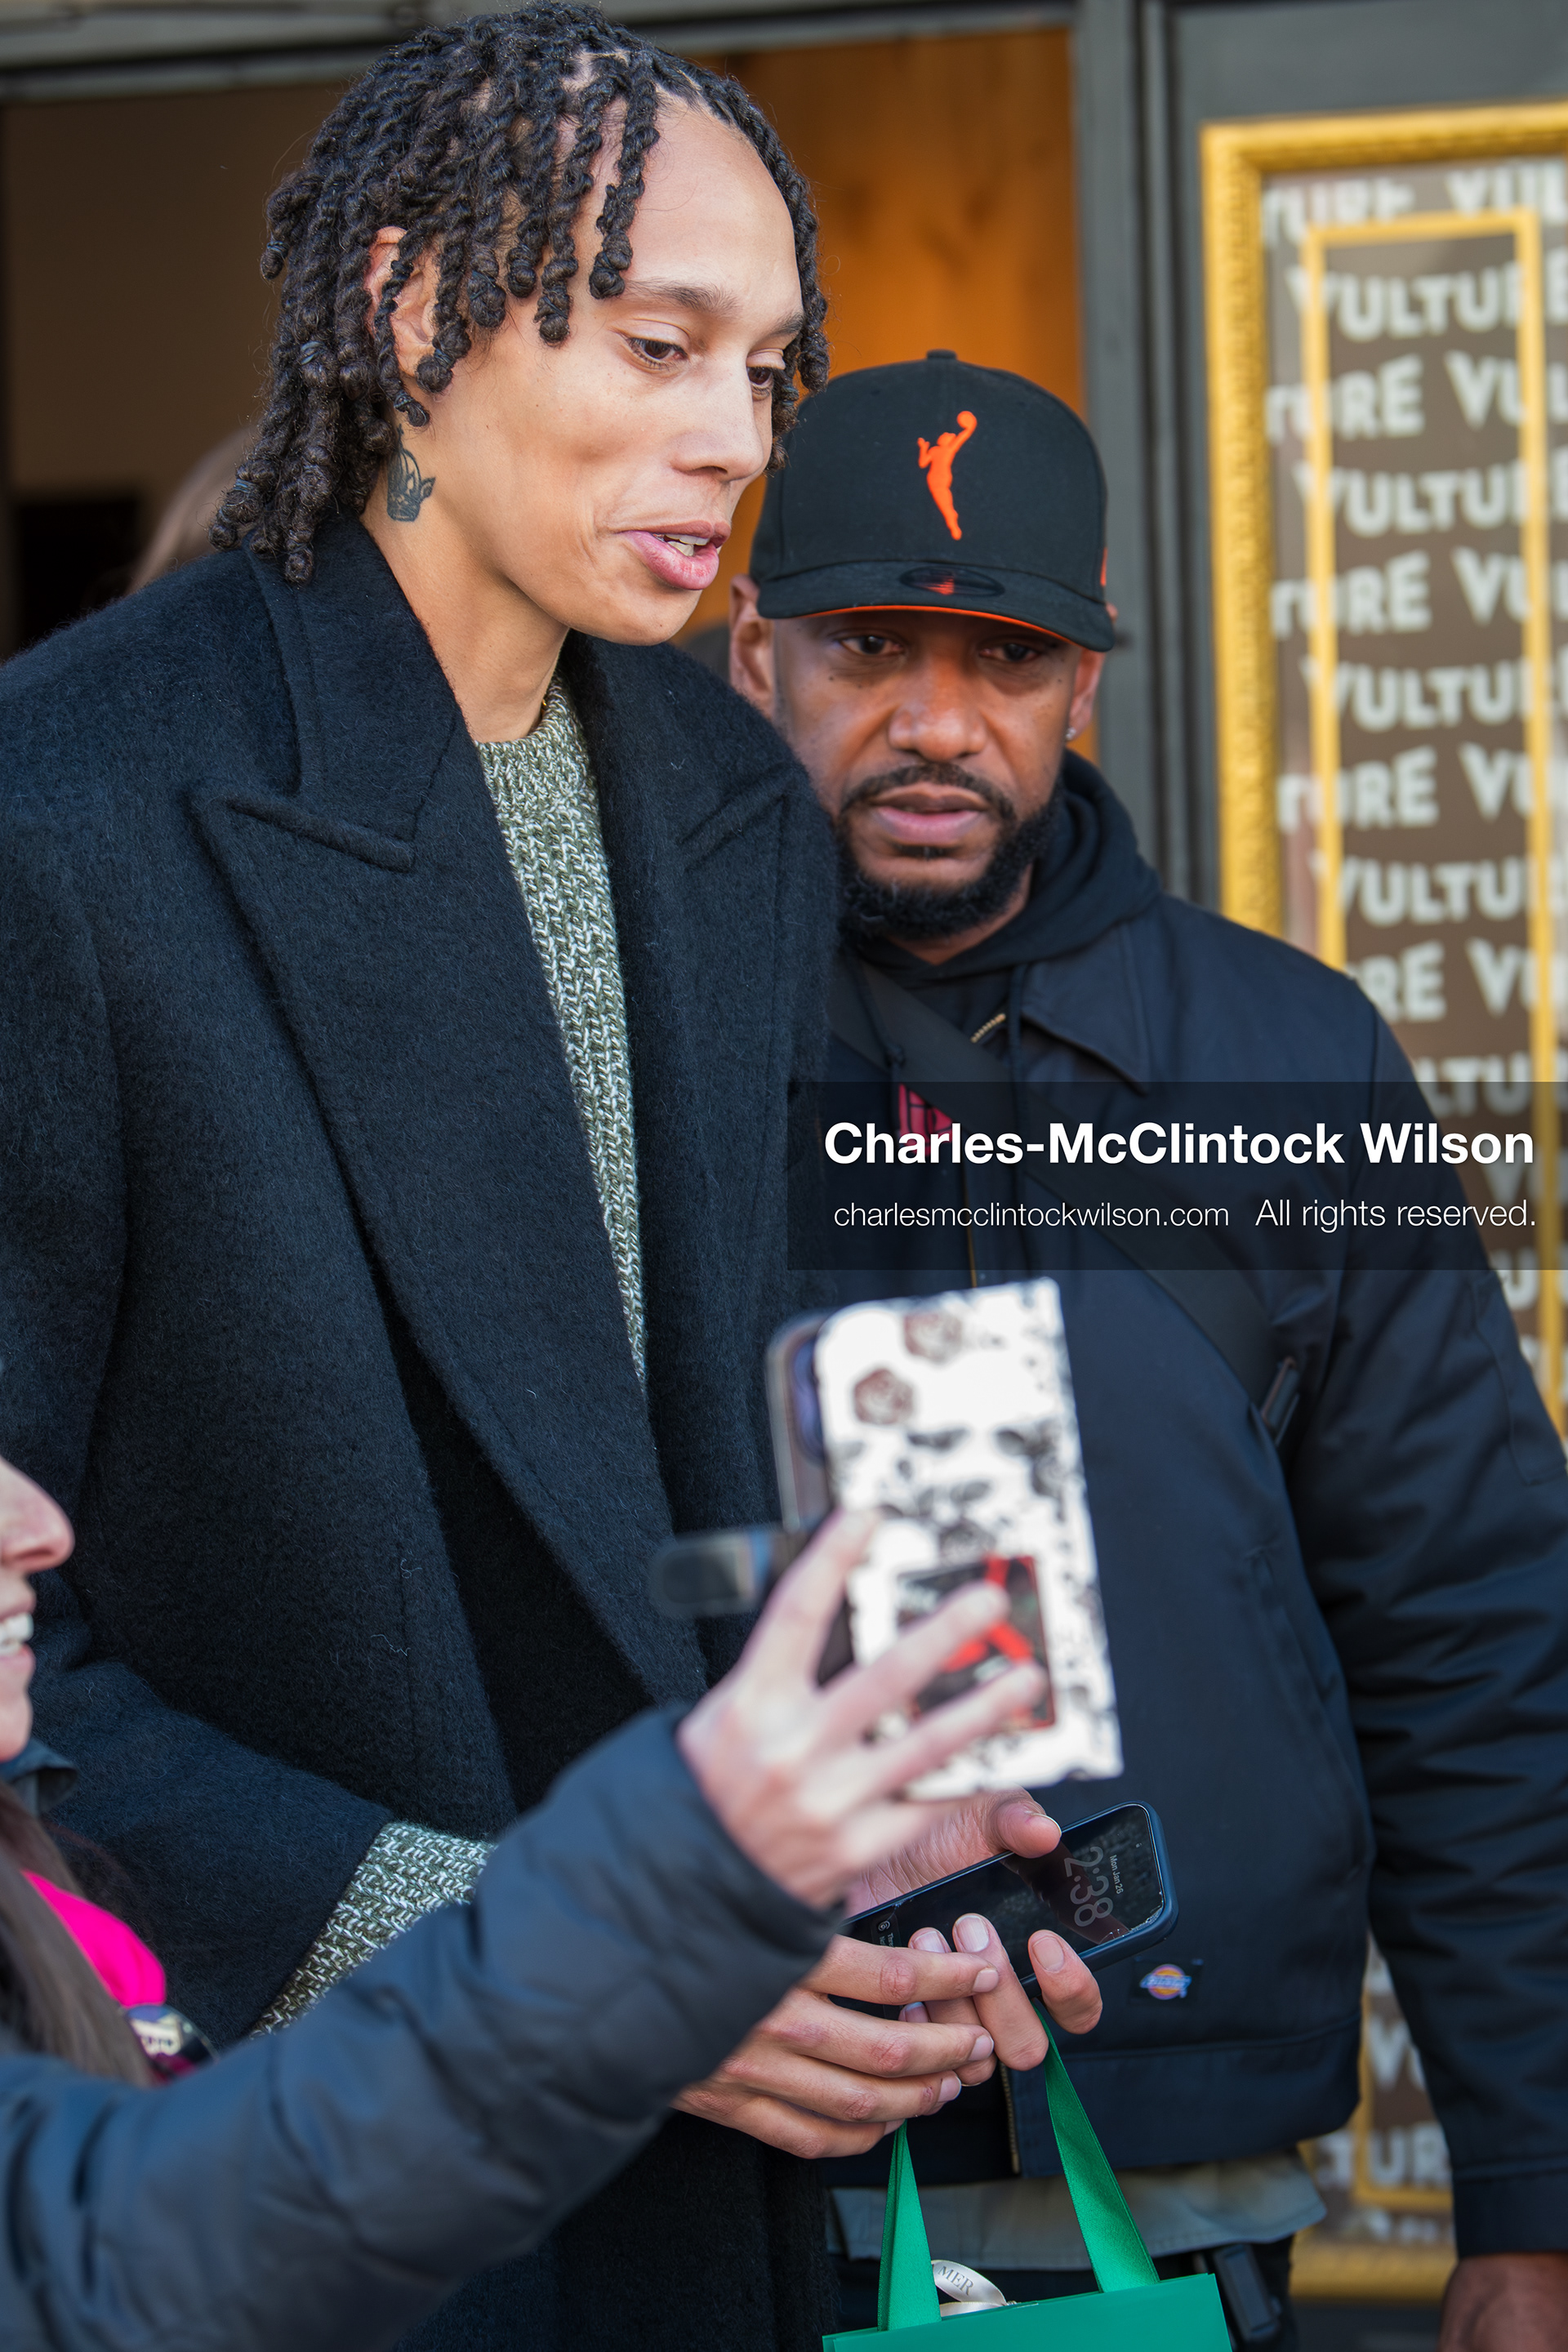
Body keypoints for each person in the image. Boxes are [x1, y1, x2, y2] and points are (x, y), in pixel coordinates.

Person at [0, 17, 1068, 2347]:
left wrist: (891, 1849)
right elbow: (27, 1666)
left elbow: (715, 1468)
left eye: (767, 371)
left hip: (708, 2203)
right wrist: (581, 1964)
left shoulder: (726, 798)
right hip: (295, 2184)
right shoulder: (64, 813)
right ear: (410, 311)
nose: (737, 441)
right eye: (659, 345)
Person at [726, 352, 1568, 2352]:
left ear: (1086, 682)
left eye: (1007, 658)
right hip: (701, 2142)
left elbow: (1473, 1632)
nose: (937, 722)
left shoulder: (1292, 1055)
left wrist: (1531, 2195)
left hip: (1169, 2151)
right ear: (753, 657)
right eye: (867, 646)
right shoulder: (618, 1044)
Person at [0, 1446, 1103, 2349]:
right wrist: (657, 1917)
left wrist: (800, 1868)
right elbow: (127, 2264)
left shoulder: (64, 1920)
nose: (42, 1526)